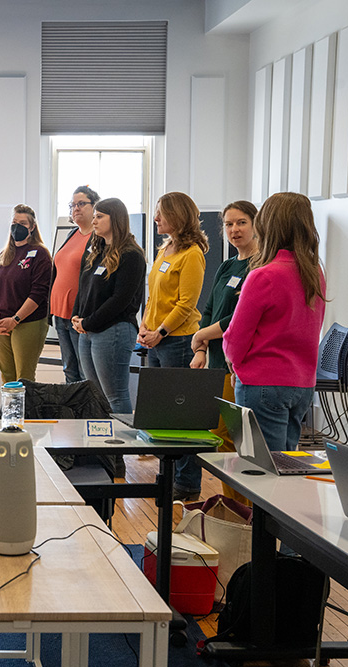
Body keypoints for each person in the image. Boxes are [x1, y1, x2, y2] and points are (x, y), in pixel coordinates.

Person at [223, 192, 326, 452]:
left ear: (267, 225)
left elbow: (235, 339)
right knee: (285, 468)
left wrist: (233, 362)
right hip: (302, 384)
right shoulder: (315, 272)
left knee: (259, 473)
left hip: (262, 384)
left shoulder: (263, 275)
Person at [138, 191, 207, 501]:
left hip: (177, 341)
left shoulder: (192, 254)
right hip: (156, 338)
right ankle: (169, 476)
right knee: (162, 414)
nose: (155, 219)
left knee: (182, 418)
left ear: (177, 217)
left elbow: (186, 303)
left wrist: (161, 332)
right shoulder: (166, 249)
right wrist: (144, 324)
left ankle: (188, 482)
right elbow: (154, 295)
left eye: (161, 214)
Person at [190, 200, 259, 504]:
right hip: (216, 362)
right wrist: (202, 347)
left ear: (256, 225)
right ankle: (232, 504)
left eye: (241, 222)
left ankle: (243, 508)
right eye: (229, 224)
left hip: (240, 365)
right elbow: (209, 307)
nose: (234, 230)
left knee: (235, 439)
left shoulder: (259, 267)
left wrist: (202, 333)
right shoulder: (228, 265)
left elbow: (238, 319)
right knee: (221, 437)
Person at [71, 197, 146, 415]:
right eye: (94, 216)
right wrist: (77, 317)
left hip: (113, 330)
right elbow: (83, 288)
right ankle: (101, 446)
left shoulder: (131, 255)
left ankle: (120, 447)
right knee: (96, 395)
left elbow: (120, 300)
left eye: (100, 216)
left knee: (115, 395)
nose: (94, 221)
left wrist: (88, 321)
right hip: (87, 330)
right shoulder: (96, 251)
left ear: (116, 219)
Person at [0, 204, 51, 384]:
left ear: (32, 227)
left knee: (23, 377)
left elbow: (39, 293)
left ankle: (26, 413)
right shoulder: (4, 255)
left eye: (23, 223)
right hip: (2, 322)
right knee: (7, 375)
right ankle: (10, 412)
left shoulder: (40, 254)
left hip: (27, 322)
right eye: (14, 222)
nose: (17, 226)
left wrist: (15, 319)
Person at [50, 185, 100, 383]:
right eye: (72, 205)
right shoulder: (72, 234)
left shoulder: (98, 238)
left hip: (79, 315)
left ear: (94, 206)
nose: (76, 209)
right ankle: (71, 413)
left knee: (83, 371)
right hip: (60, 313)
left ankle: (85, 411)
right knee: (69, 368)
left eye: (81, 204)